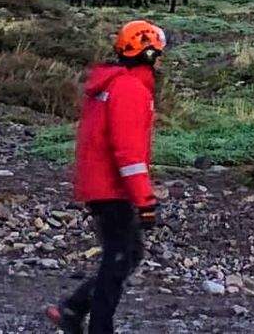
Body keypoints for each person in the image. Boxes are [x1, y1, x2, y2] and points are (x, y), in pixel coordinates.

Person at [47, 21, 165, 334]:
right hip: (112, 188)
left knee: (128, 254)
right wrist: (145, 199)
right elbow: (127, 152)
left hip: (98, 183)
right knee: (118, 259)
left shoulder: (112, 83)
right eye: (158, 54)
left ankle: (72, 308)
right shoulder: (129, 89)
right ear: (149, 54)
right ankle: (95, 325)